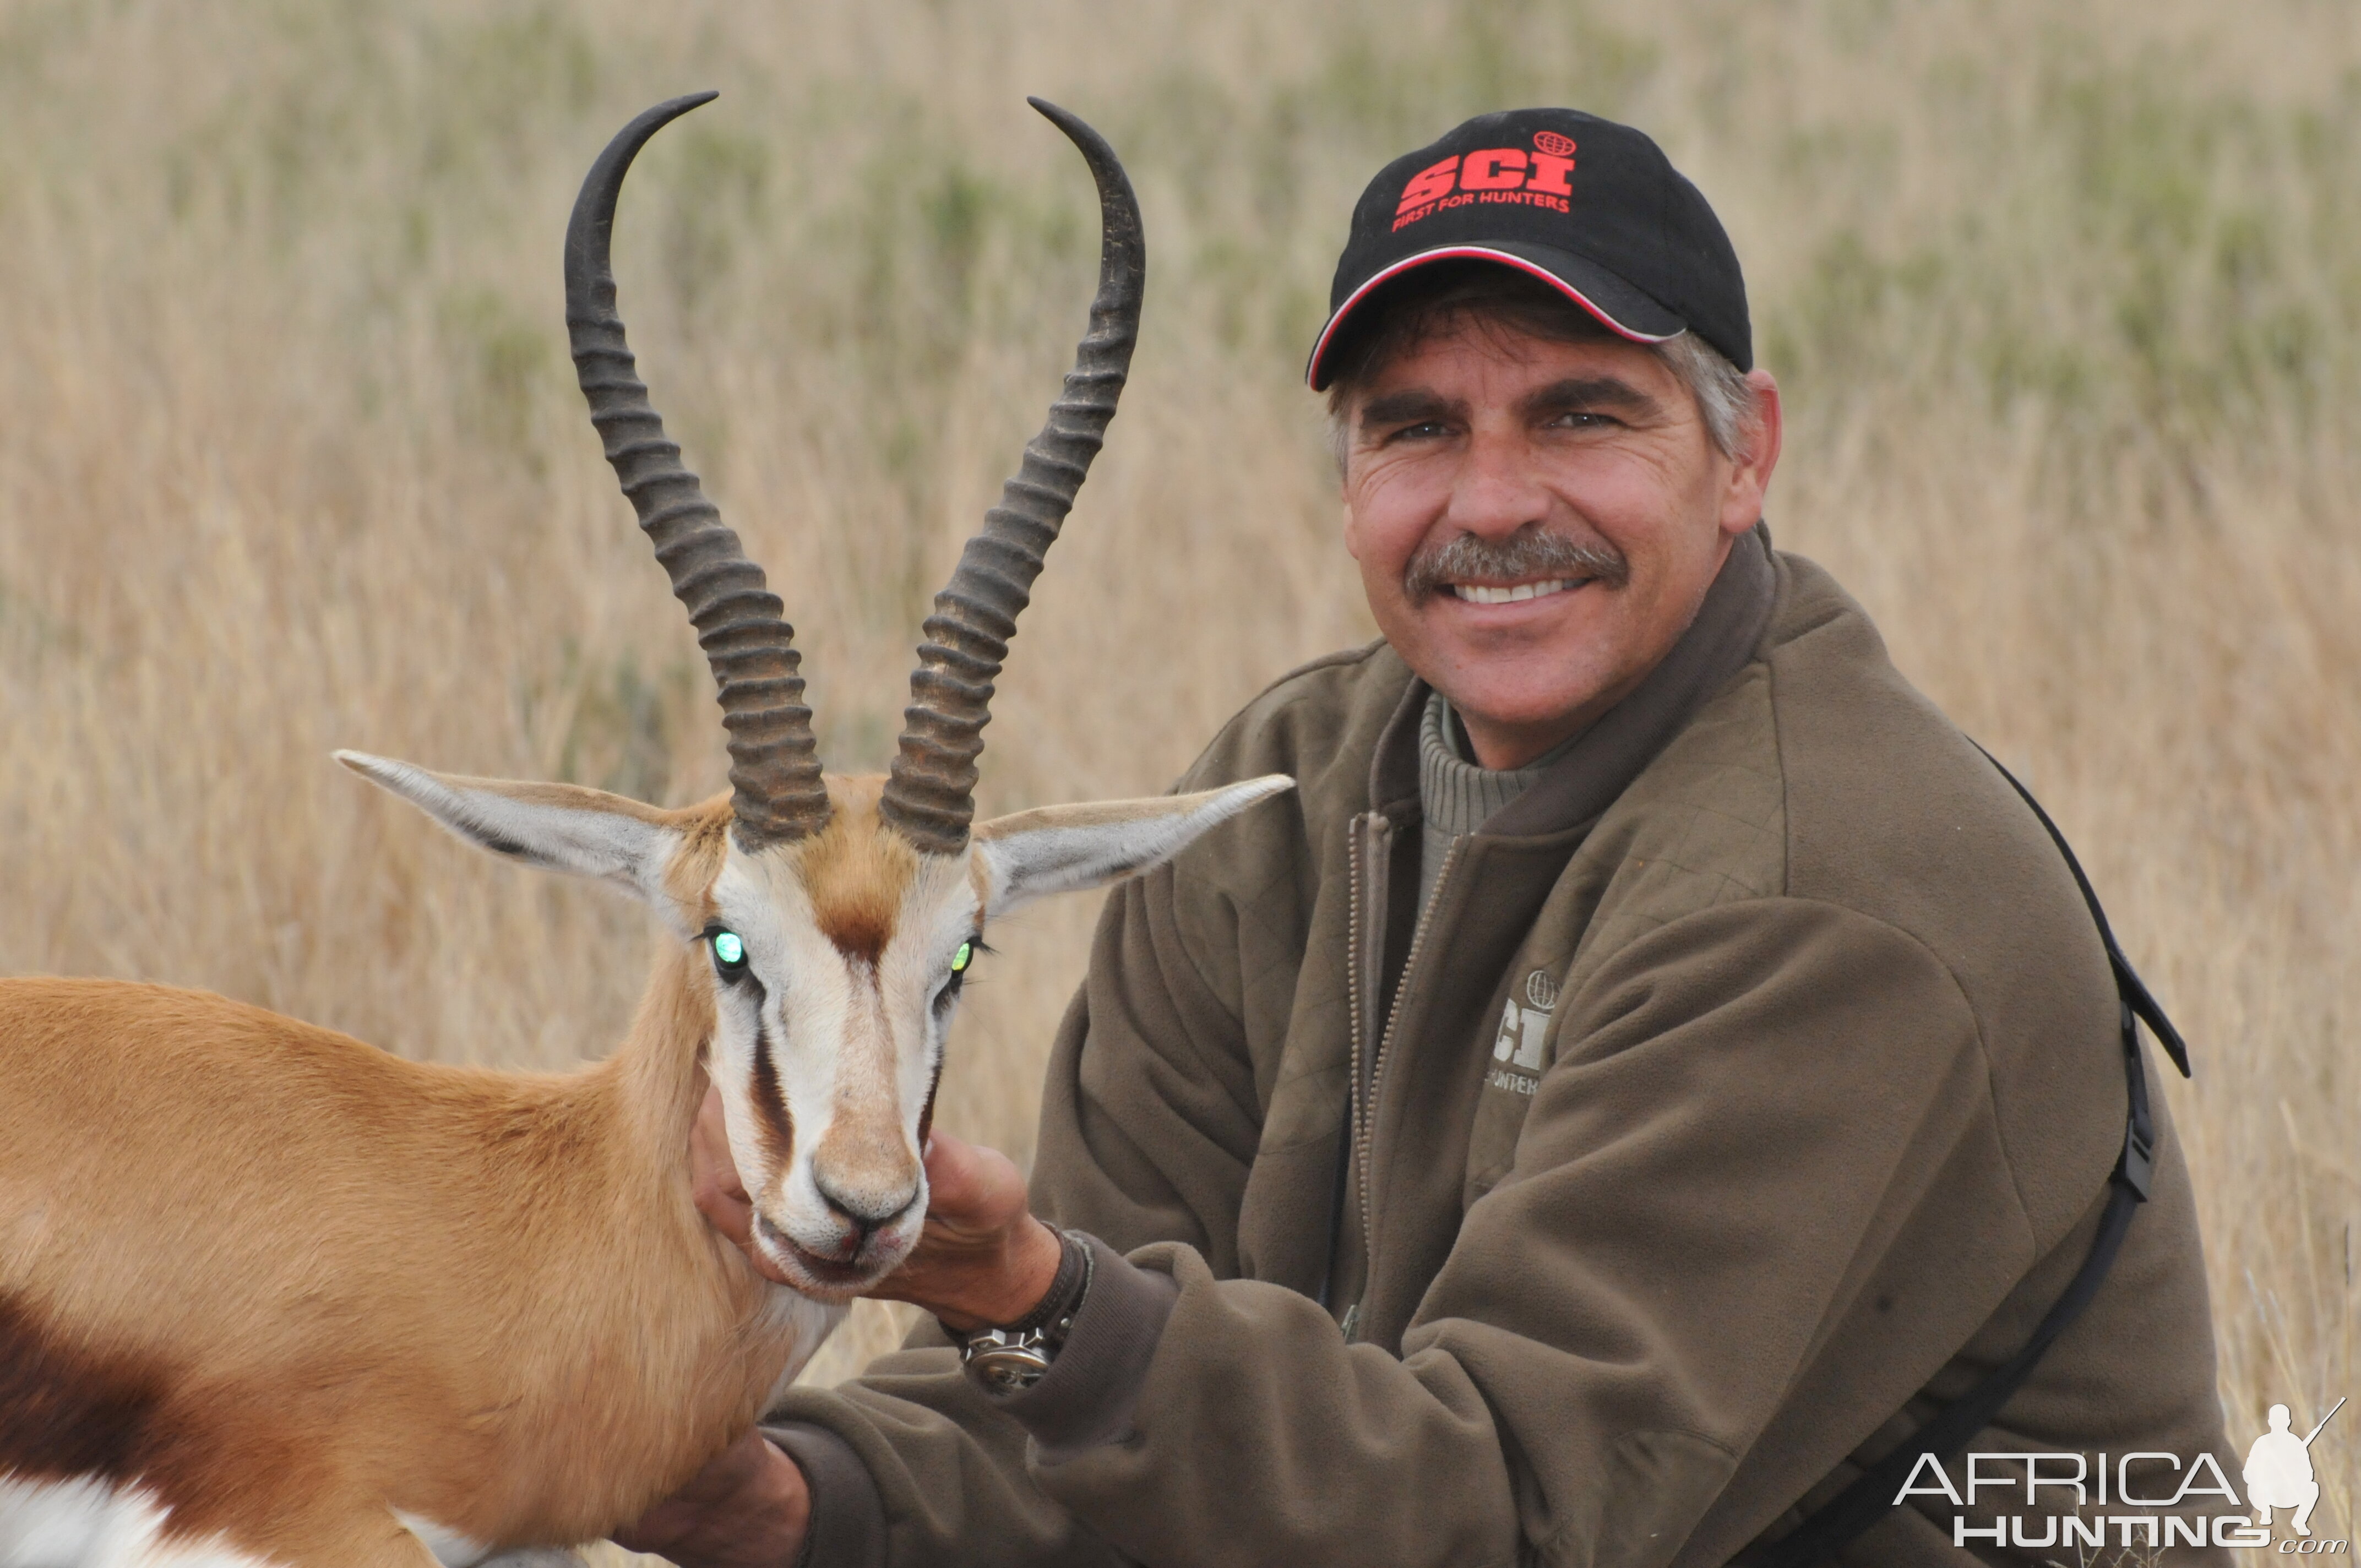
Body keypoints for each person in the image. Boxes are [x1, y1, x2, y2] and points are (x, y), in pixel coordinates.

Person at [618, 107, 2233, 1567]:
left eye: (1581, 415)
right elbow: (1101, 1425)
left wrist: (1025, 1295)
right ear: (1344, 483)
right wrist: (803, 1500)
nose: (1491, 501)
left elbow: (1507, 1518)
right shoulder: (1285, 792)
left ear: (1745, 458)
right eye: (1418, 429)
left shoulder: (1830, 887)